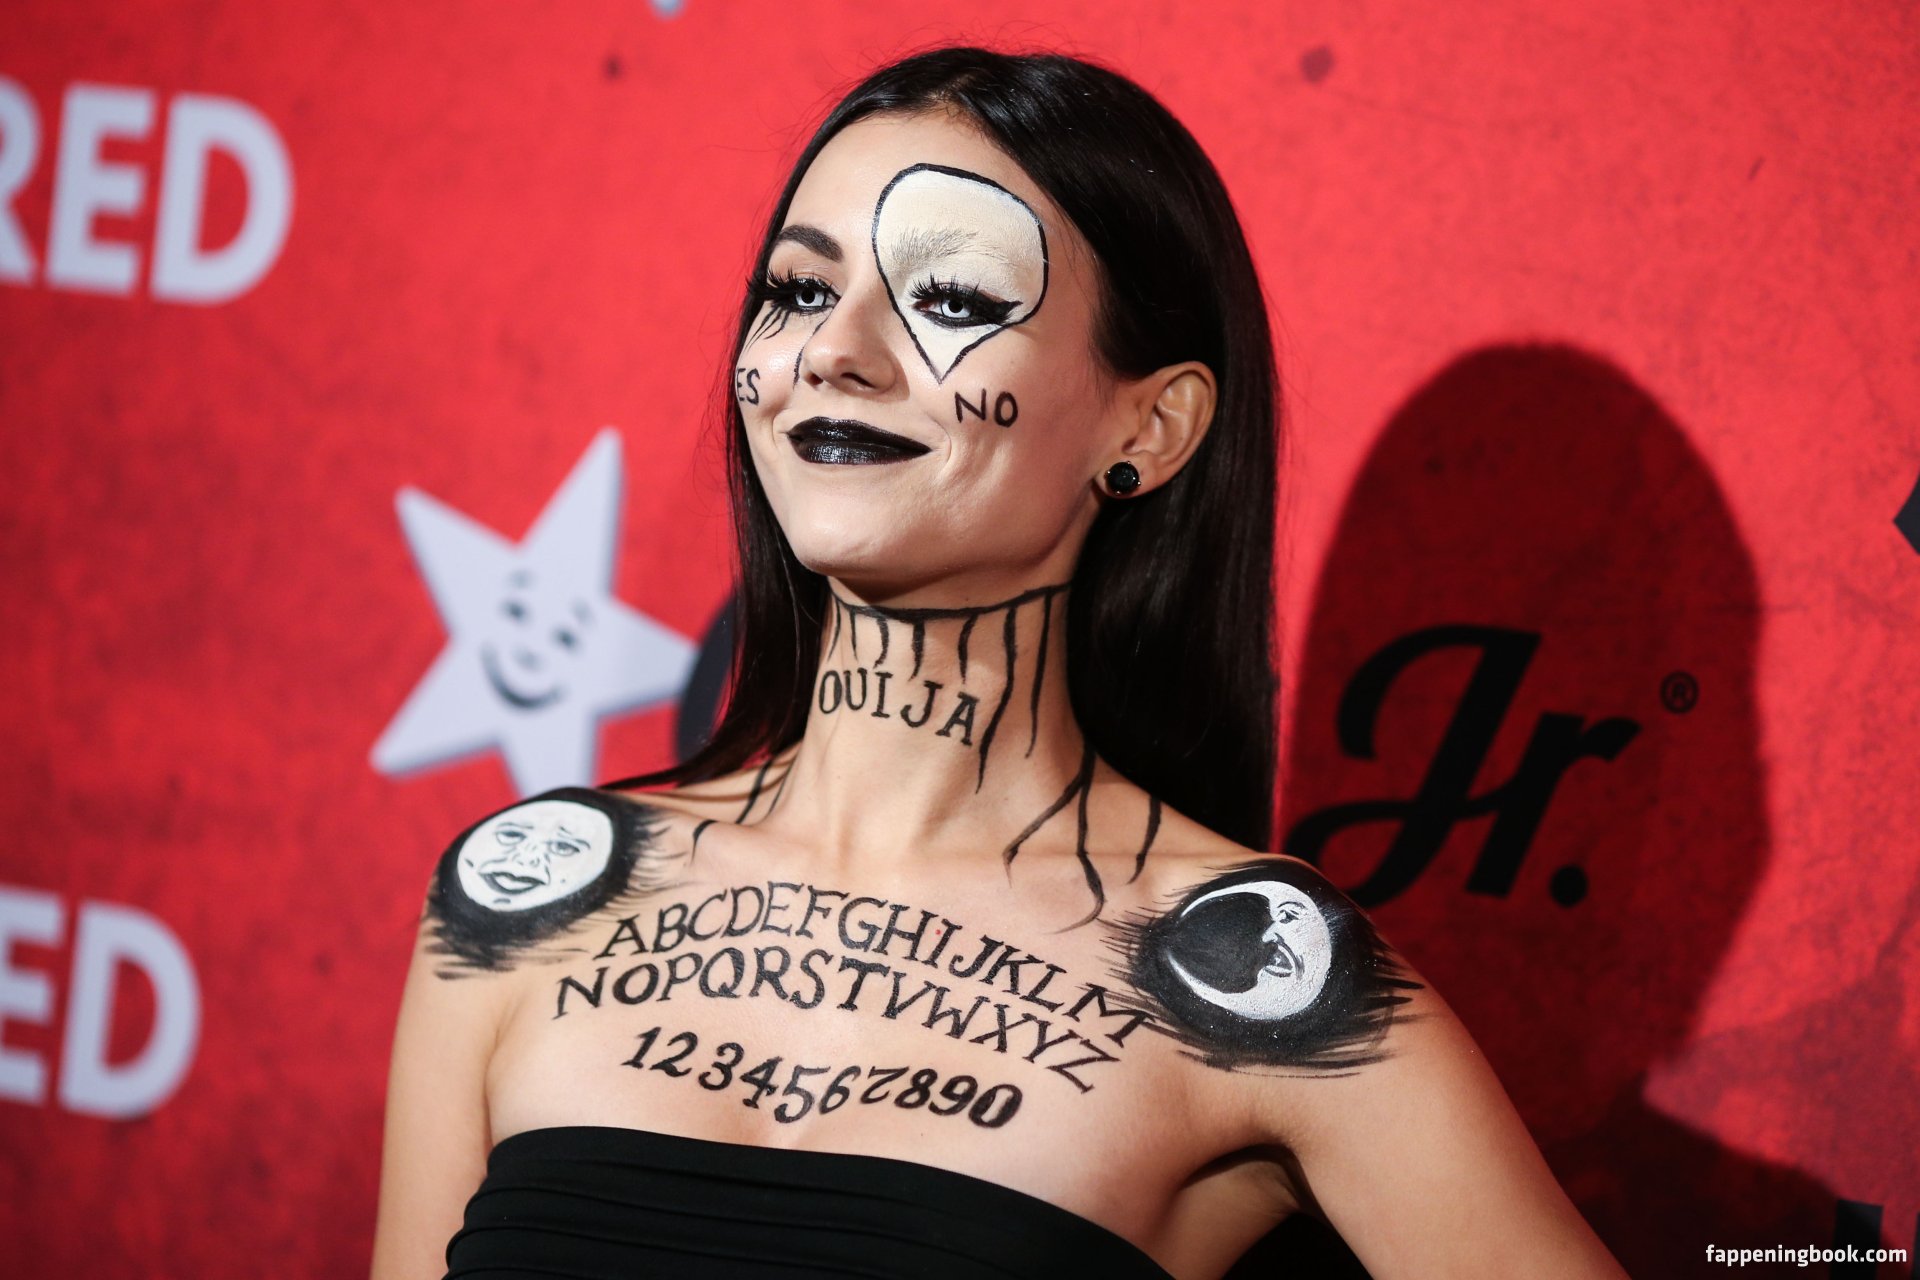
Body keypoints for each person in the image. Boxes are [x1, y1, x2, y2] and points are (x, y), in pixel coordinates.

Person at [371, 44, 1628, 1280]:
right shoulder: (522, 903)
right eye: (799, 289)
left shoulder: (1255, 982)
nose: (835, 350)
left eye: (956, 301)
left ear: (1152, 425)